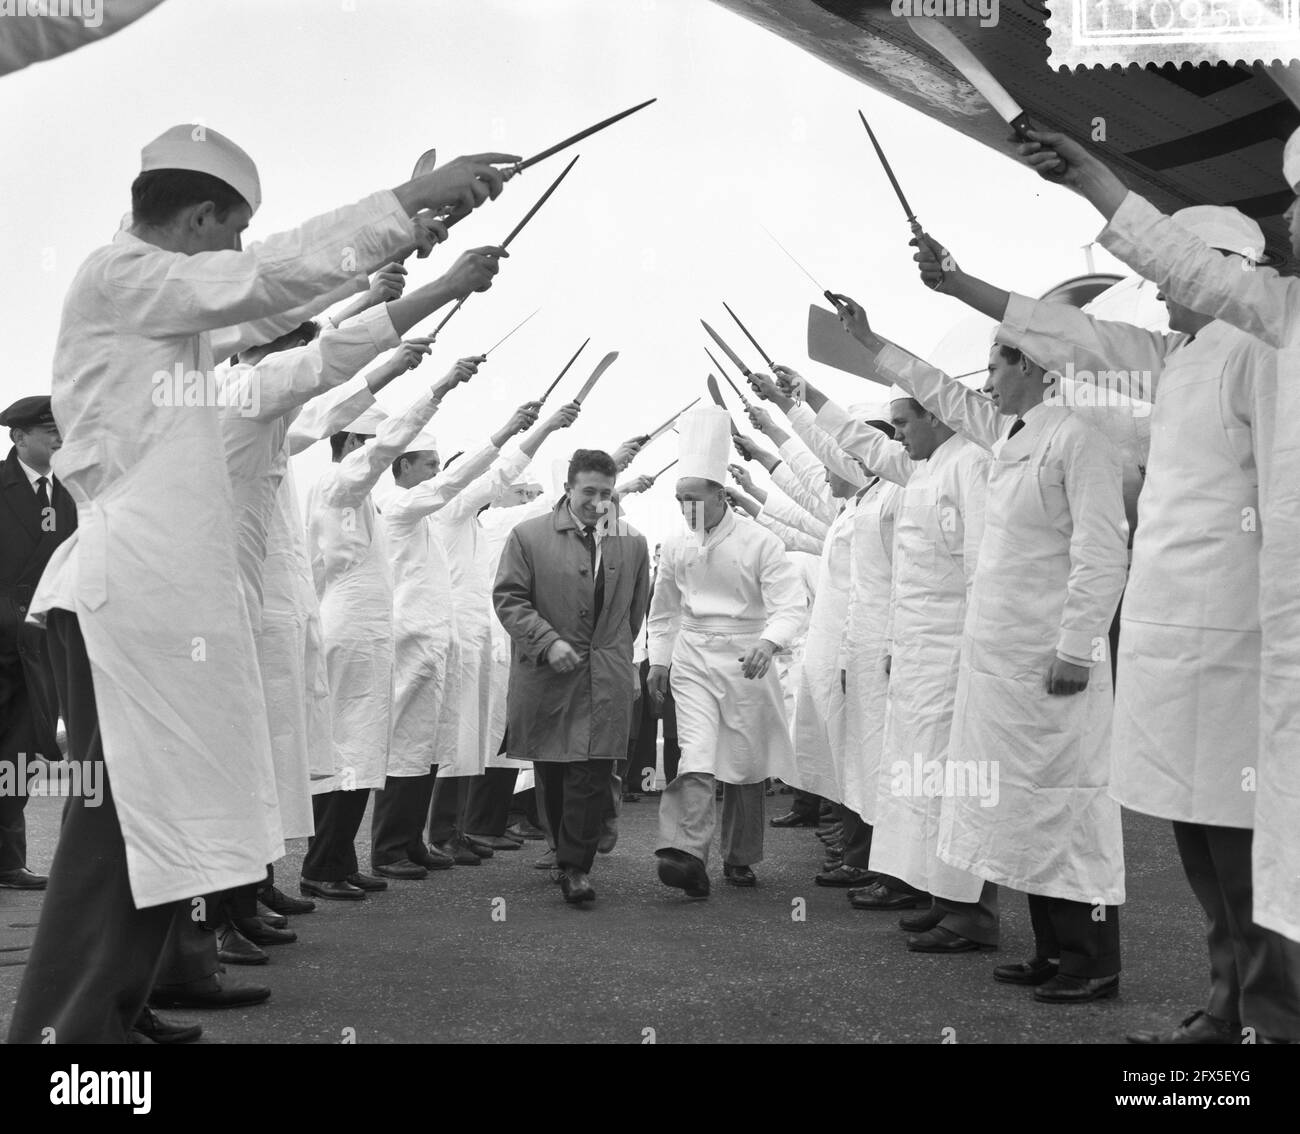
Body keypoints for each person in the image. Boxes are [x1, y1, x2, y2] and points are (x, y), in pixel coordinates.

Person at [7, 124, 519, 1043]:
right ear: (201, 216)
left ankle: (121, 1006)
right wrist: (405, 207)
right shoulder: (115, 277)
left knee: (173, 819)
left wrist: (429, 277)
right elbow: (268, 279)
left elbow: (302, 354)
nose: (239, 252)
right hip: (126, 604)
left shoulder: (178, 349)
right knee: (115, 829)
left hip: (170, 605)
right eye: (235, 232)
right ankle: (62, 1041)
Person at [1005, 128, 1300, 1042]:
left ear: (1221, 269)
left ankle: (1267, 1018)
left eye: (1177, 269)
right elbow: (1077, 341)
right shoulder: (1182, 360)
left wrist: (1098, 176)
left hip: (1237, 643)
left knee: (1244, 839)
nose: (1160, 286)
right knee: (1194, 825)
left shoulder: (1258, 340)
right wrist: (962, 288)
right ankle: (1225, 1003)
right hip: (1175, 639)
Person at [840, 293, 1130, 1001]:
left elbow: (1102, 550)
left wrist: (1078, 646)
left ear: (1028, 366)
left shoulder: (1079, 439)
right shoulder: (1011, 437)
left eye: (995, 367)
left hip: (1055, 663)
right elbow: (938, 391)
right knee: (1021, 812)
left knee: (1068, 805)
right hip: (1002, 667)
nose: (985, 383)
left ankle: (1093, 961)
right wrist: (872, 339)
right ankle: (1052, 950)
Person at [800, 370, 997, 952]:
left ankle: (973, 913)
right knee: (917, 783)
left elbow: (980, 567)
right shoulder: (924, 466)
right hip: (915, 651)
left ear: (936, 416)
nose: (897, 436)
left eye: (905, 422)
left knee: (953, 785)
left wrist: (972, 653)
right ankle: (941, 898)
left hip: (952, 649)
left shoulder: (969, 463)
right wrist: (808, 398)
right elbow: (863, 446)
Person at [303, 358, 483, 900]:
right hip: (352, 629)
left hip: (368, 631)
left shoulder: (361, 499)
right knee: (346, 751)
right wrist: (439, 389)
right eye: (373, 447)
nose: (382, 459)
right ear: (352, 444)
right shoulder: (338, 484)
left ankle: (338, 859)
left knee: (363, 752)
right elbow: (386, 453)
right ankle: (321, 865)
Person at [372, 409, 543, 877]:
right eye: (429, 463)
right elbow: (470, 483)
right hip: (413, 640)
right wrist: (513, 431)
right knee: (408, 746)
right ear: (404, 467)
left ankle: (413, 841)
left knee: (437, 744)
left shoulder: (439, 517)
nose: (437, 472)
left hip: (443, 641)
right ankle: (390, 847)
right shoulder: (403, 505)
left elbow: (504, 495)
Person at [647, 407, 806, 897]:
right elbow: (664, 610)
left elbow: (790, 603)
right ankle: (685, 852)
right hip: (693, 658)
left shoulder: (762, 542)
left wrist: (769, 641)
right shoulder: (675, 545)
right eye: (678, 499)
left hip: (746, 662)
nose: (685, 508)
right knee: (694, 752)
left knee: (744, 761)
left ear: (720, 494)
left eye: (693, 498)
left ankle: (740, 857)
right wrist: (658, 659)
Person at [426, 403, 581, 863]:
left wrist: (618, 473)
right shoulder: (452, 509)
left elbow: (544, 505)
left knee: (475, 738)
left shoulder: (474, 522)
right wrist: (540, 427)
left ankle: (460, 830)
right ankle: (446, 831)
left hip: (480, 641)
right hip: (459, 640)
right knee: (457, 740)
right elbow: (502, 482)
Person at [493, 449, 650, 902]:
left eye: (607, 493)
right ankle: (562, 848)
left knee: (593, 771)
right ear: (567, 488)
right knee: (555, 769)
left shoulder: (632, 542)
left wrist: (611, 654)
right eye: (589, 492)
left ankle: (576, 866)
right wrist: (548, 641)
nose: (598, 502)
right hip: (549, 676)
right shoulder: (528, 536)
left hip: (605, 675)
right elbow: (510, 599)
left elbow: (633, 612)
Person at [0, 396, 75, 891]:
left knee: (20, 756)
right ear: (18, 438)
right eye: (46, 429)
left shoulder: (70, 493)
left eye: (59, 428)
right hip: (3, 637)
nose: (57, 436)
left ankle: (7, 863)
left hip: (42, 642)